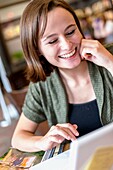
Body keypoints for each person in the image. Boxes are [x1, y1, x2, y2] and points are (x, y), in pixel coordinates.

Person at [11, 0, 113, 153]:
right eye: (52, 41)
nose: (67, 45)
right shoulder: (43, 85)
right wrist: (42, 142)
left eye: (71, 32)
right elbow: (18, 137)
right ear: (38, 50)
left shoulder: (109, 54)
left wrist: (110, 63)